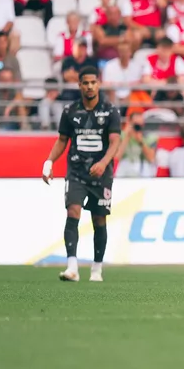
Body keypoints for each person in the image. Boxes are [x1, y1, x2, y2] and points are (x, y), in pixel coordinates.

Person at [41, 66, 122, 283]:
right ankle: (72, 267)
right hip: (76, 172)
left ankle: (96, 269)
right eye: (85, 83)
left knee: (99, 220)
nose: (89, 86)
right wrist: (49, 161)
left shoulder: (110, 110)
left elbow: (115, 141)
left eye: (93, 82)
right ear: (79, 85)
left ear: (98, 83)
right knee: (73, 211)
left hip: (101, 174)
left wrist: (104, 163)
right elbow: (62, 141)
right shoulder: (70, 111)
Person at [115, 111, 158, 178]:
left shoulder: (149, 137)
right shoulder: (120, 136)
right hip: (125, 168)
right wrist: (127, 137)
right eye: (136, 125)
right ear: (129, 122)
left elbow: (151, 158)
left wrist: (140, 141)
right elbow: (117, 157)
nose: (138, 127)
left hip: (142, 168)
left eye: (140, 125)